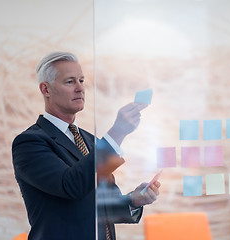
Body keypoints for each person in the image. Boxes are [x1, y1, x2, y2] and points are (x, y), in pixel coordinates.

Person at [12, 52, 161, 240]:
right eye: (70, 81)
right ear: (46, 89)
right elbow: (71, 186)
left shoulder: (90, 141)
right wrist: (117, 133)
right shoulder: (29, 143)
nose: (80, 88)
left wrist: (134, 200)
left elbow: (106, 207)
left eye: (81, 80)